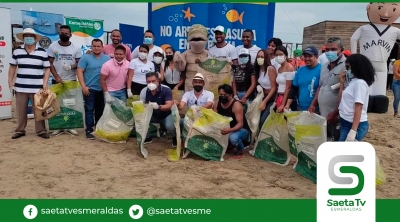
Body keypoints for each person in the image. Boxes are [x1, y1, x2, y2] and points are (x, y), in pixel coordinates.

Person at [8, 28, 51, 139]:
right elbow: (13, 67)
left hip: (37, 87)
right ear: (23, 38)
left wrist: (45, 83)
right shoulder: (17, 51)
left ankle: (41, 130)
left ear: (35, 38)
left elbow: (47, 69)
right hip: (21, 87)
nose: (29, 38)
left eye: (31, 36)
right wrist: (10, 81)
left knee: (40, 110)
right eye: (26, 36)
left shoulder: (42, 52)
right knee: (21, 110)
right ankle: (20, 130)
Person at [309, 37, 346, 141]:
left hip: (337, 116)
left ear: (341, 50)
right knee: (325, 140)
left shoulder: (346, 66)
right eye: (327, 50)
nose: (330, 52)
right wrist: (313, 104)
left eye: (333, 49)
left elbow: (345, 93)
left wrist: (335, 112)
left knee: (336, 142)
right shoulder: (324, 66)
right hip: (323, 114)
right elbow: (321, 86)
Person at [47, 25, 82, 136]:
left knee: (70, 104)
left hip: (71, 80)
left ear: (70, 35)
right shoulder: (53, 46)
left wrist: (72, 66)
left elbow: (79, 63)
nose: (64, 35)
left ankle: (70, 126)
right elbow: (50, 63)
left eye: (66, 33)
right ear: (59, 33)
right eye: (62, 33)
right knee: (56, 104)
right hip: (56, 80)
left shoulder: (76, 48)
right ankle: (58, 126)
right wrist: (56, 76)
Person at [77, 39, 110, 140]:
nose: (96, 48)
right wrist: (83, 86)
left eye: (98, 46)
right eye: (94, 46)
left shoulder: (107, 58)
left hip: (102, 89)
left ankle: (99, 128)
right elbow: (79, 71)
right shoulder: (85, 58)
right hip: (89, 89)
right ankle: (89, 130)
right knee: (89, 110)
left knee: (100, 110)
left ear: (102, 47)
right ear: (91, 47)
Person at [338, 54, 375, 141]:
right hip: (345, 121)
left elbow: (358, 107)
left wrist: (353, 131)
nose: (347, 70)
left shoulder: (360, 84)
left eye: (349, 67)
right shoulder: (353, 82)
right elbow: (341, 101)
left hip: (354, 124)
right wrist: (342, 83)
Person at [140, 72, 177, 146]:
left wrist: (159, 106)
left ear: (158, 81)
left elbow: (169, 105)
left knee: (170, 126)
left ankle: (175, 137)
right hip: (152, 115)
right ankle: (148, 136)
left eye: (153, 81)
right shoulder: (144, 91)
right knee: (140, 118)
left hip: (166, 114)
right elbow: (142, 106)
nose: (151, 83)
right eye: (148, 81)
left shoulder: (166, 89)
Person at [214, 84, 250, 159]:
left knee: (233, 138)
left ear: (230, 95)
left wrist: (229, 130)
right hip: (226, 128)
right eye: (221, 94)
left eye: (225, 94)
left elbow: (240, 124)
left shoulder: (236, 105)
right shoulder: (217, 103)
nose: (222, 96)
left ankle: (240, 150)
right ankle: (229, 146)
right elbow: (215, 119)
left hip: (241, 129)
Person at [285, 46, 321, 111]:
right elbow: (293, 89)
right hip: (300, 107)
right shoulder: (300, 70)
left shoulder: (321, 70)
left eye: (310, 56)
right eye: (305, 56)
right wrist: (287, 105)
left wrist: (313, 105)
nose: (307, 58)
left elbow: (321, 89)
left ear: (316, 56)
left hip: (315, 109)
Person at [254, 49, 277, 128]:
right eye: (258, 56)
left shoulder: (270, 69)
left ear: (266, 58)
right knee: (256, 119)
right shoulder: (259, 69)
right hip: (262, 96)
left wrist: (264, 102)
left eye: (262, 57)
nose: (260, 58)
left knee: (263, 121)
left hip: (272, 98)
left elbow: (274, 88)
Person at [273, 46, 295, 113]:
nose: (278, 56)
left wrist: (283, 104)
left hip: (286, 98)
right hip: (279, 97)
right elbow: (278, 86)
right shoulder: (279, 68)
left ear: (286, 55)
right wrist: (275, 101)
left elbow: (288, 87)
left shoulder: (289, 68)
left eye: (281, 54)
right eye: (276, 55)